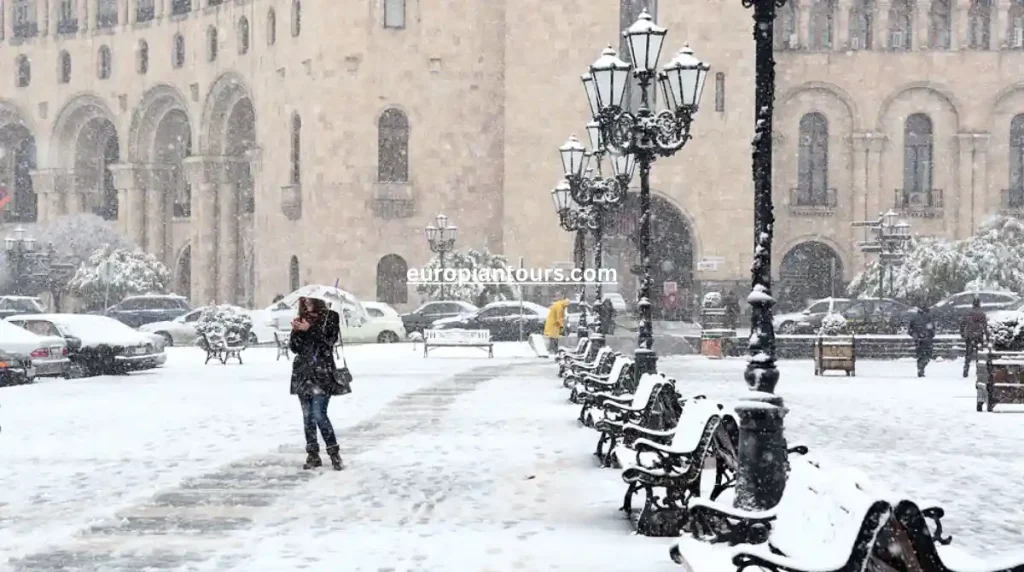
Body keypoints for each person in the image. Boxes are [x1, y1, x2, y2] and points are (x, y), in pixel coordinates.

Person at [289, 296, 345, 470]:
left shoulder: (330, 317)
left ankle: (334, 453)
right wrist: (298, 331)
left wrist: (310, 329)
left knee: (319, 414)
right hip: (303, 373)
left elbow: (329, 341)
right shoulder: (301, 318)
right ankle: (312, 454)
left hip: (322, 372)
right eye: (304, 302)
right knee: (308, 417)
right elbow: (294, 348)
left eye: (309, 301)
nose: (306, 304)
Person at [960, 297, 988, 378]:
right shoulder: (982, 314)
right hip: (979, 336)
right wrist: (986, 335)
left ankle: (965, 370)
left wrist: (962, 333)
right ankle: (979, 371)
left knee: (968, 354)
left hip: (969, 336)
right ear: (979, 304)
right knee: (979, 355)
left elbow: (962, 324)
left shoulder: (968, 313)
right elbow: (985, 326)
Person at [908, 303, 936, 377]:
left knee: (920, 355)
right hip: (927, 339)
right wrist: (930, 335)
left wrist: (915, 335)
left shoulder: (914, 317)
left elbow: (910, 330)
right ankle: (921, 367)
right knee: (928, 355)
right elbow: (932, 329)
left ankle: (920, 368)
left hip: (919, 340)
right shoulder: (928, 317)